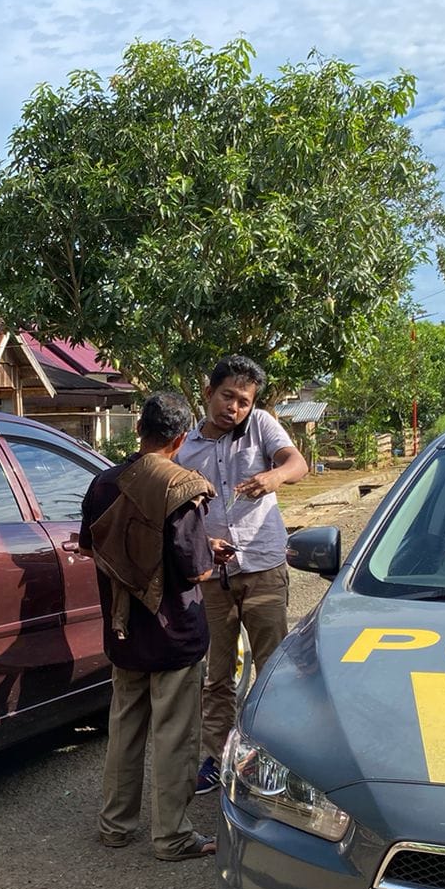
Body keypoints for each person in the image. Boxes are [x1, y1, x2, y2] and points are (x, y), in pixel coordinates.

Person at [79, 391, 219, 861]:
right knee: (175, 736)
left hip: (123, 628)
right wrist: (209, 550)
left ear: (139, 430)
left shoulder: (102, 482)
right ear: (180, 439)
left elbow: (91, 545)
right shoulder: (181, 485)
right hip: (172, 631)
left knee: (124, 730)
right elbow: (195, 568)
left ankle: (115, 826)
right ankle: (172, 836)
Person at [175, 355, 309, 794]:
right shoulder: (184, 447)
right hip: (213, 576)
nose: (235, 408)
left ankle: (272, 758)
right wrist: (203, 545)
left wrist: (274, 477)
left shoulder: (262, 426)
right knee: (216, 675)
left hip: (264, 567)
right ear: (208, 394)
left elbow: (297, 463)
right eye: (227, 396)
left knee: (272, 668)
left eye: (244, 401)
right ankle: (216, 757)